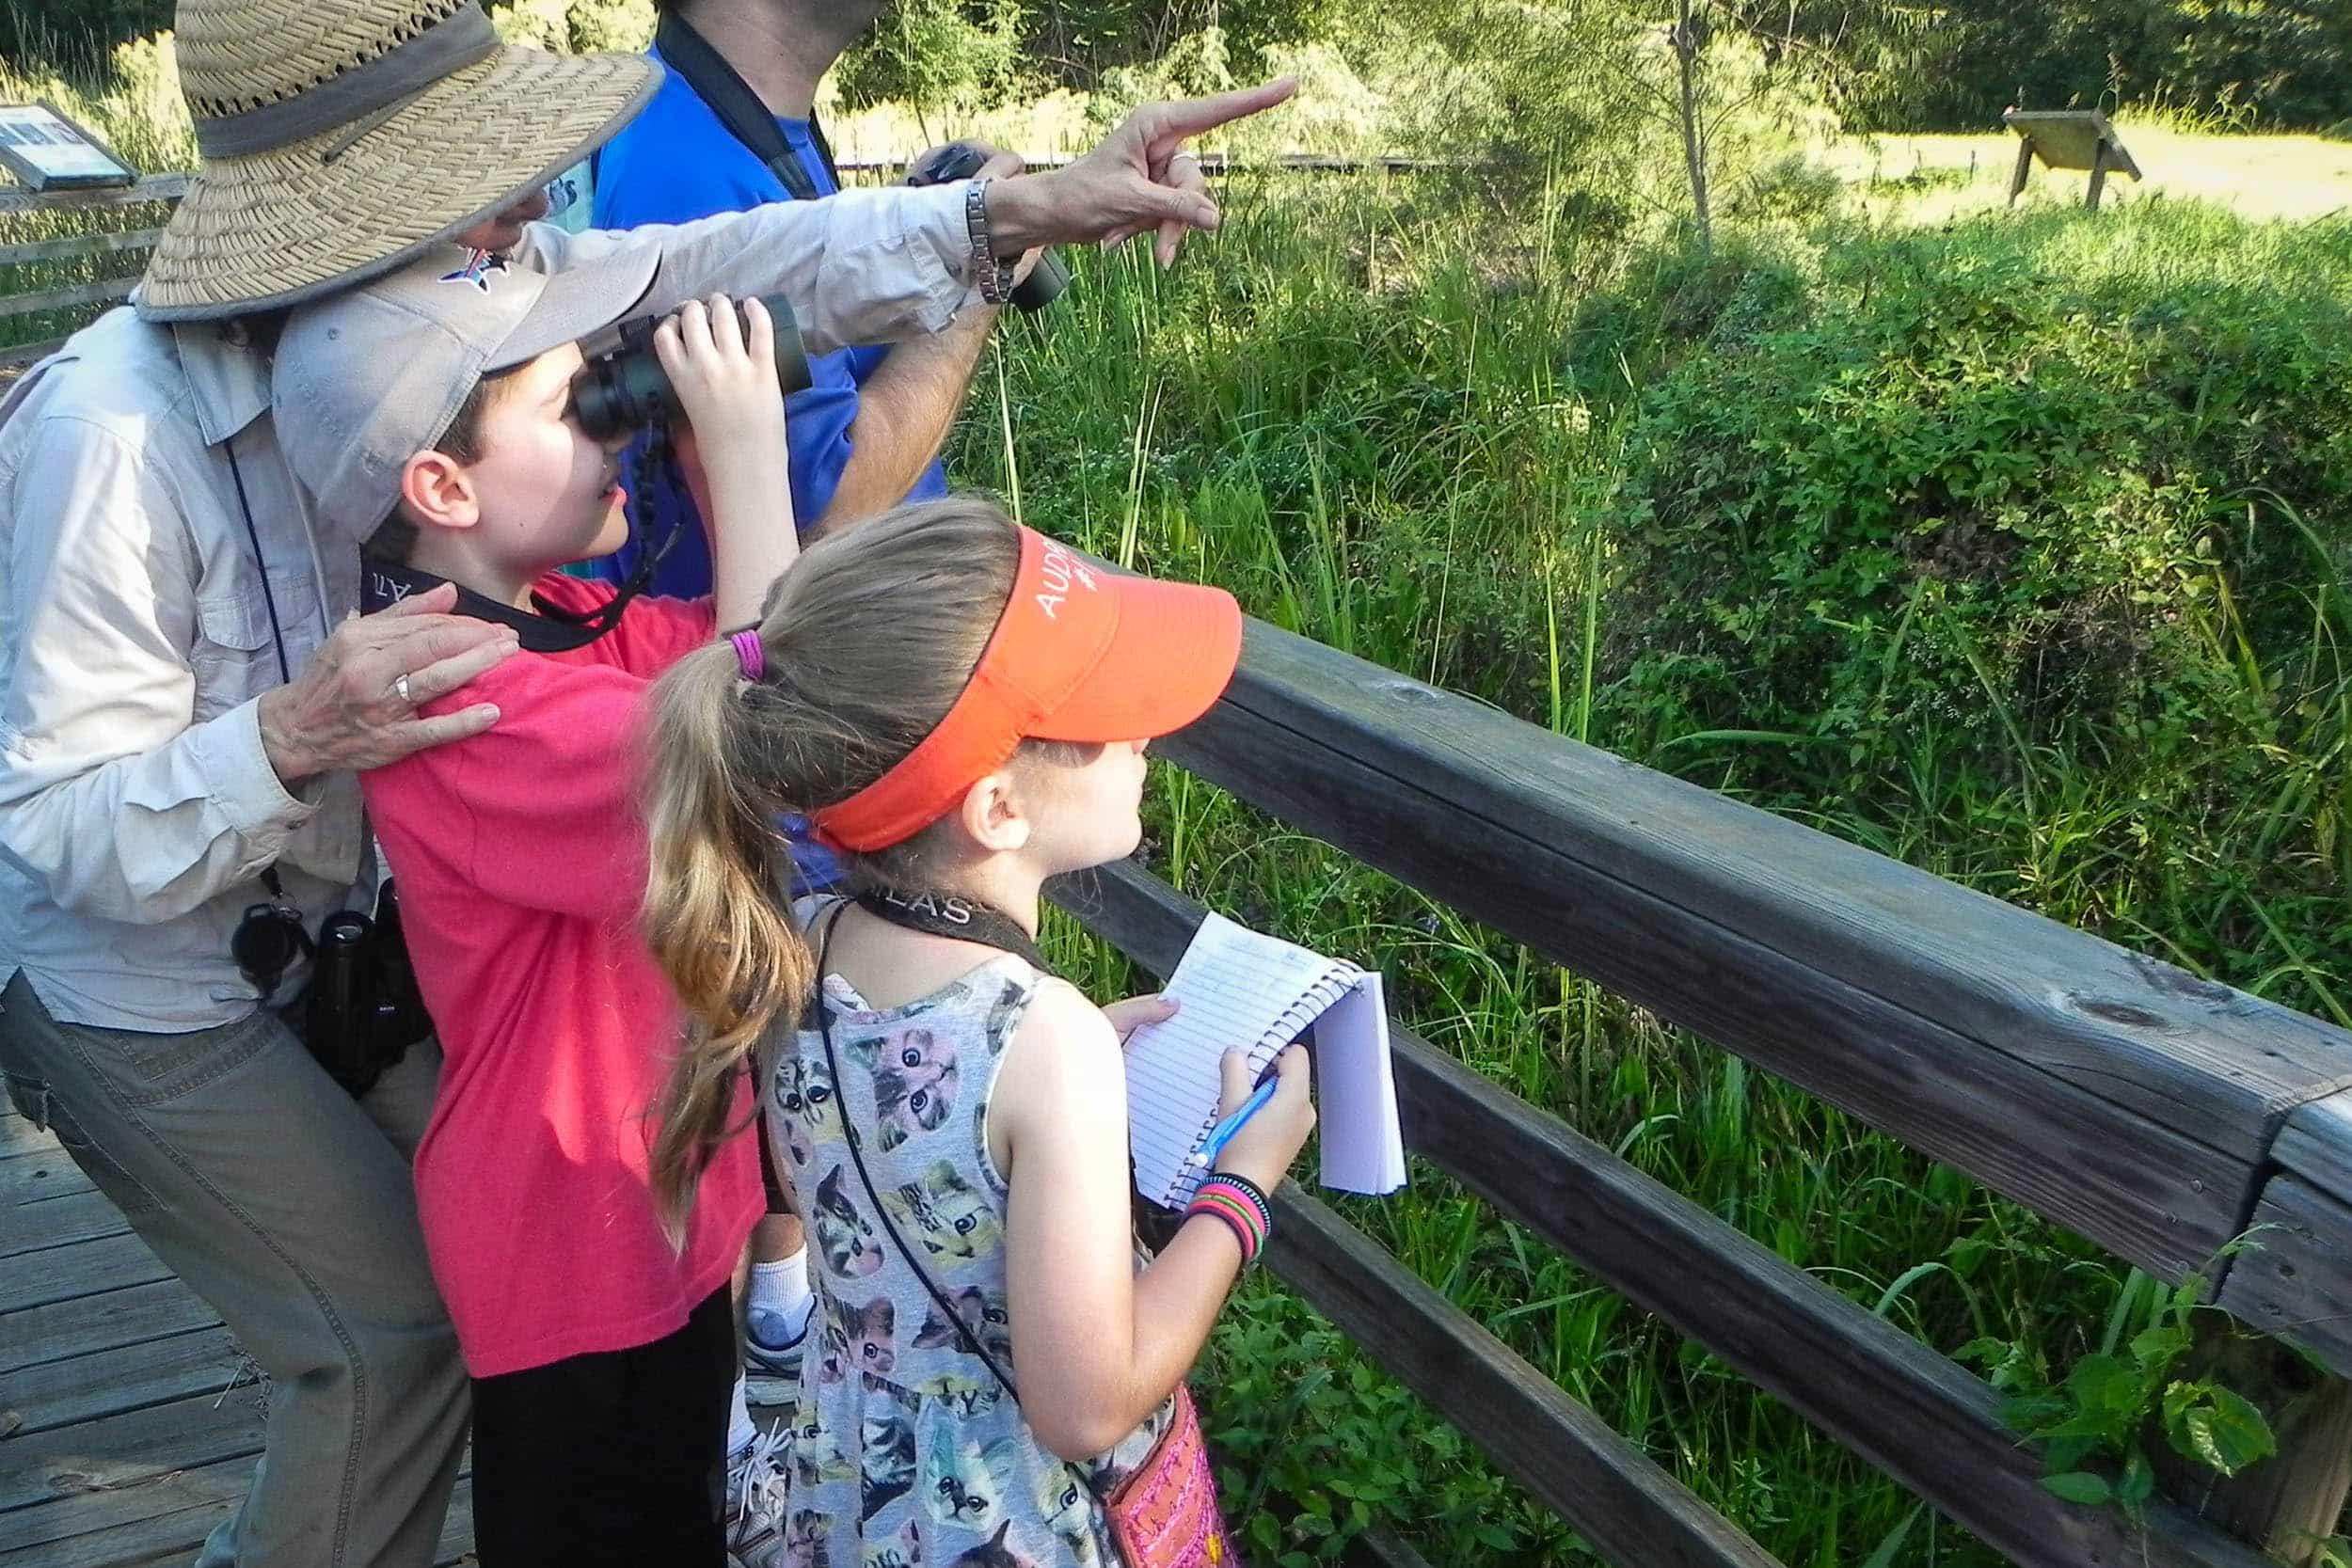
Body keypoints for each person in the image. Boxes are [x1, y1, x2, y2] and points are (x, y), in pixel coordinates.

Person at [0, 0, 1294, 1559]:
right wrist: (282, 741)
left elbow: (729, 268)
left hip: (371, 941)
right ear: (343, 217)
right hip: (150, 968)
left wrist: (1002, 217)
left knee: (566, 1332)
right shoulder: (115, 438)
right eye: (485, 189)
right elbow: (55, 829)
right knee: (385, 1344)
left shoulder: (468, 334)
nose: (534, 217)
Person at [640, 500, 1319, 1565]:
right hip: (1002, 1523)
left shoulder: (805, 940)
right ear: (996, 806)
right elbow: (1085, 1405)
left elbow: (907, 1129)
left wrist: (1050, 1082)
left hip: (849, 1489)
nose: (1142, 731)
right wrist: (1242, 1188)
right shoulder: (1043, 1043)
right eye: (1105, 720)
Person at [269, 245, 799, 1562]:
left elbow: (767, 646)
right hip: (566, 1231)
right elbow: (759, 734)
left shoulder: (563, 616)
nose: (608, 428)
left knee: (684, 1519)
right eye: (579, 408)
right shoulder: (451, 694)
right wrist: (742, 452)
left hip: (657, 1192)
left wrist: (689, 447)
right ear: (442, 485)